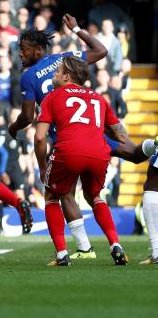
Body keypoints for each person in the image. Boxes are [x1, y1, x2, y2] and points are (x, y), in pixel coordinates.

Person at [8, 16, 107, 258]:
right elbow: (101, 50)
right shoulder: (67, 59)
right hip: (93, 126)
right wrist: (77, 29)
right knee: (122, 154)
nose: (20, 54)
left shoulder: (29, 76)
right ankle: (92, 246)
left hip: (67, 140)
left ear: (38, 49)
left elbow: (28, 117)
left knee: (60, 193)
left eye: (23, 49)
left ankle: (82, 247)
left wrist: (14, 127)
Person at [34, 56, 131, 266]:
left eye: (57, 71)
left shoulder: (51, 97)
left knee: (51, 196)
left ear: (67, 76)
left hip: (69, 151)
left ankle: (61, 254)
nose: (54, 74)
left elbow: (40, 136)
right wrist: (138, 150)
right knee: (95, 196)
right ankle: (115, 244)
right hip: (99, 153)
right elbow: (120, 134)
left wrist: (42, 167)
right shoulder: (99, 98)